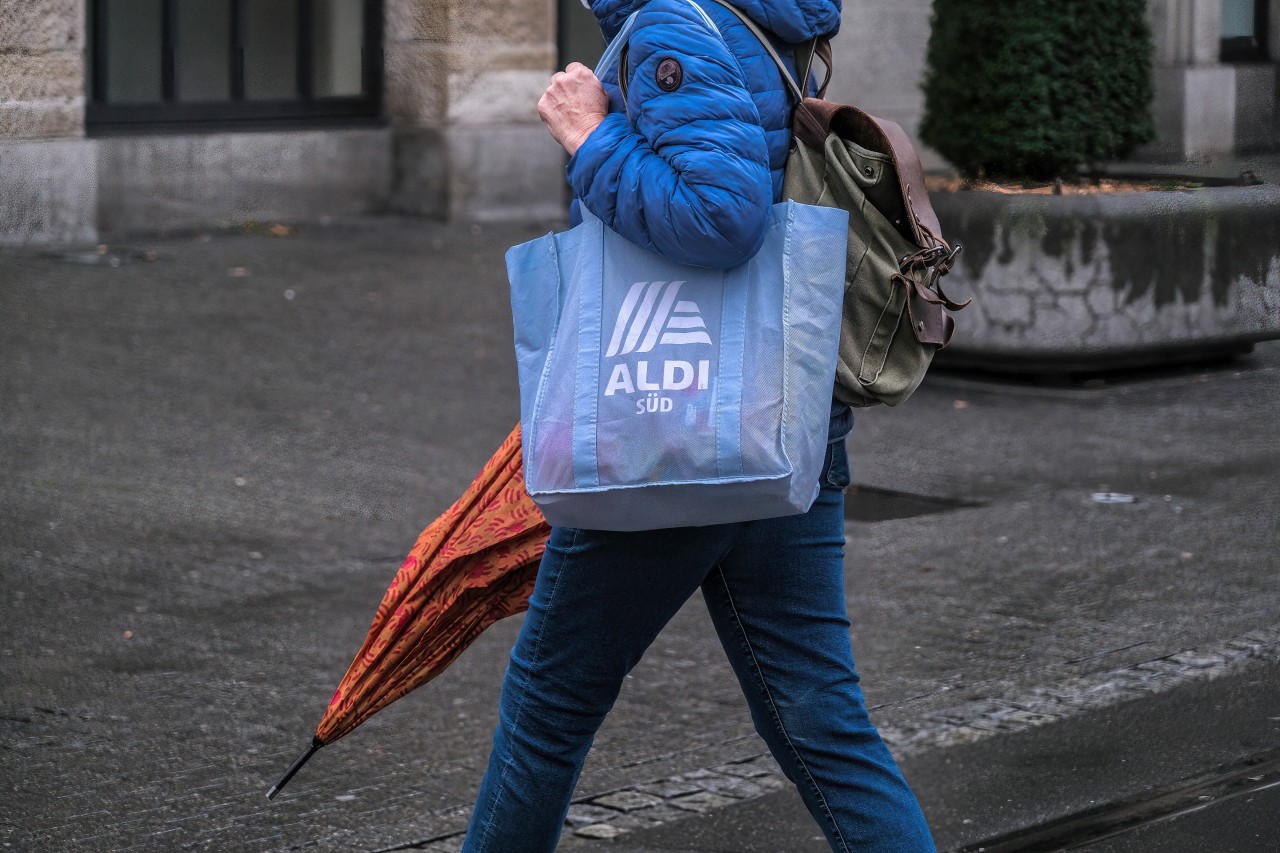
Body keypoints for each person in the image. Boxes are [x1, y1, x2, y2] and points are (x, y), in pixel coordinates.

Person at [461, 1, 936, 850]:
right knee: (820, 720)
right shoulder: (757, 14)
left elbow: (721, 216)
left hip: (671, 429)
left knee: (546, 708)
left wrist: (589, 137)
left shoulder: (679, 21)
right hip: (778, 416)